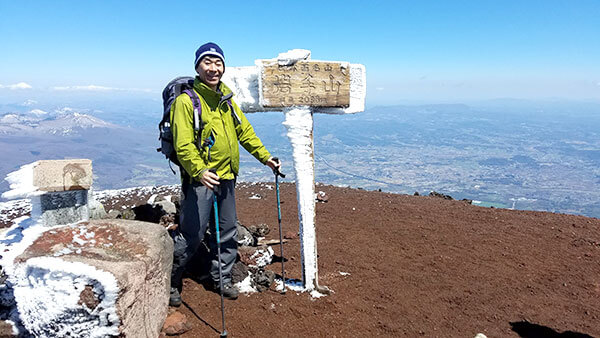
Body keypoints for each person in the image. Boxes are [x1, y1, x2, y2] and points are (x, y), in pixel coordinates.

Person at [169, 42, 280, 306]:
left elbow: (245, 132)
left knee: (227, 230)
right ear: (198, 67)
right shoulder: (186, 102)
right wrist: (199, 170)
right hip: (201, 179)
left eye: (218, 63)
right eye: (207, 62)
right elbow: (183, 144)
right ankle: (170, 280)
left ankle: (221, 277)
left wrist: (265, 157)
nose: (213, 68)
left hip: (227, 177)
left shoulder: (226, 101)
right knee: (192, 234)